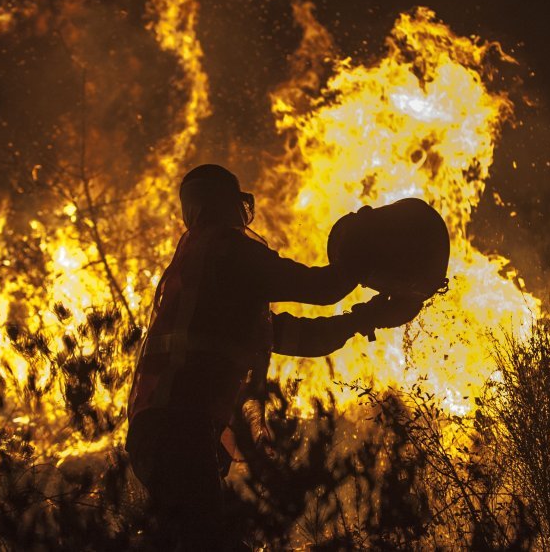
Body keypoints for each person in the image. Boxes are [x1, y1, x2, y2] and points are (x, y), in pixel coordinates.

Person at [125, 164, 423, 550]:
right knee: (212, 541)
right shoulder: (229, 252)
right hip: (179, 427)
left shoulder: (204, 281)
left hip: (162, 433)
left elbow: (300, 336)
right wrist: (365, 251)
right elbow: (323, 287)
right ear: (230, 204)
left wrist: (362, 318)